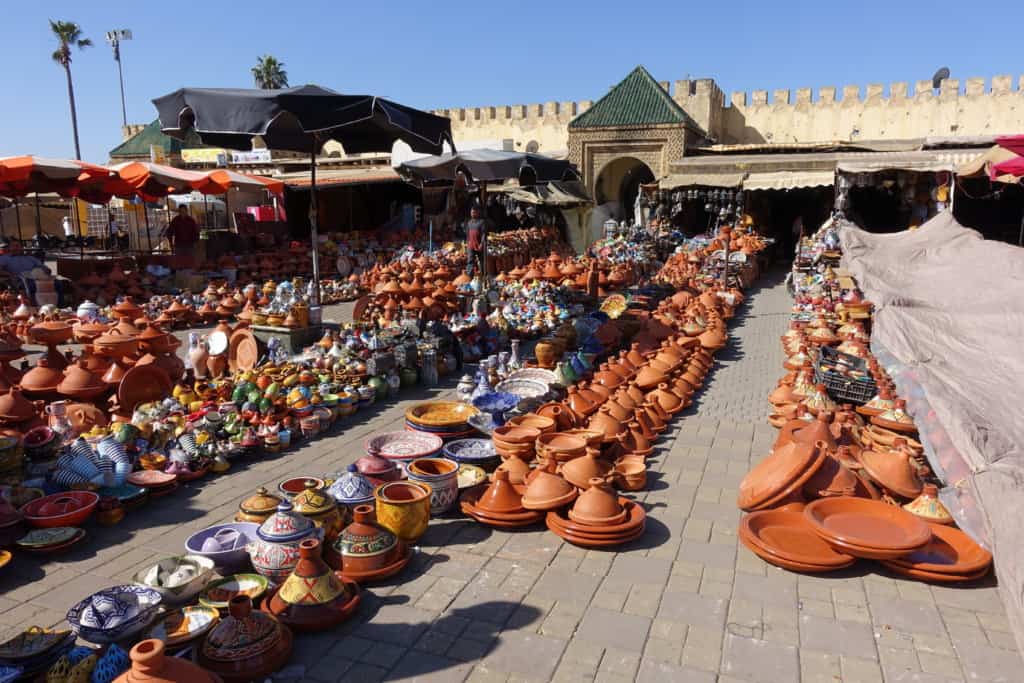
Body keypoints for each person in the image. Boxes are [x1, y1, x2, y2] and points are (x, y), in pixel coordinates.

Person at [465, 204, 490, 277]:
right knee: (470, 261)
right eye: (471, 212)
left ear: (477, 213)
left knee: (482, 261)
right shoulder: (469, 223)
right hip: (471, 245)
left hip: (479, 245)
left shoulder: (482, 222)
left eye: (474, 212)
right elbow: (467, 234)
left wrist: (482, 244)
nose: (472, 214)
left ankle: (483, 276)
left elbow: (484, 234)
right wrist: (467, 243)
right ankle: (469, 276)